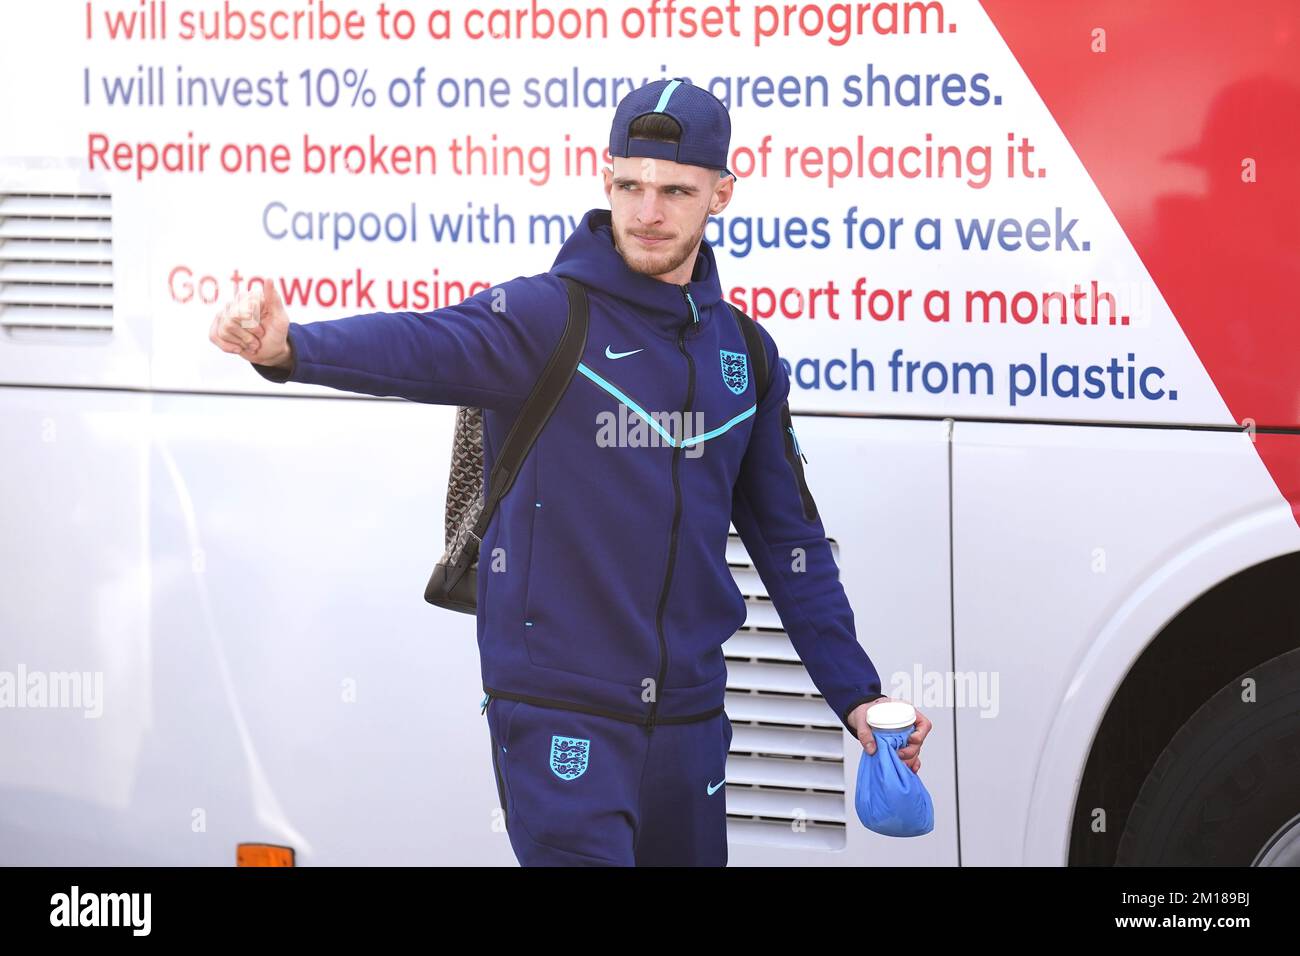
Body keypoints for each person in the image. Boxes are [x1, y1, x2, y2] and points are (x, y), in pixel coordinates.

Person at [209, 77, 931, 866]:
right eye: (630, 185)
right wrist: (292, 349)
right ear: (607, 178)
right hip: (559, 710)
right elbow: (419, 346)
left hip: (691, 720)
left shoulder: (747, 357)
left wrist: (857, 695)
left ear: (722, 193)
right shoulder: (545, 317)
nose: (647, 212)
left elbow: (792, 545)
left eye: (675, 191)